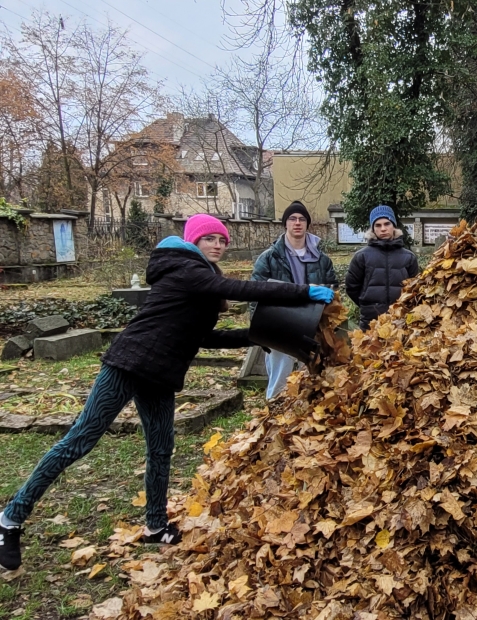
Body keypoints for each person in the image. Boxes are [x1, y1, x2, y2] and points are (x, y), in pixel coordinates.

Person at [0, 214, 335, 571]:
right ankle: (10, 518)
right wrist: (303, 291)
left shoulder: (202, 279)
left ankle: (155, 526)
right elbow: (242, 290)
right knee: (80, 440)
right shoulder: (185, 269)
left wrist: (253, 337)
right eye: (210, 239)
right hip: (127, 365)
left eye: (222, 240)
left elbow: (203, 338)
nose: (218, 245)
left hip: (160, 376)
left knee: (161, 449)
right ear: (194, 242)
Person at [252, 200, 338, 399]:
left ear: (307, 224)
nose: (297, 222)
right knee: (280, 382)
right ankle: (272, 418)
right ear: (285, 224)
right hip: (279, 325)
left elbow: (333, 291)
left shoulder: (321, 259)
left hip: (311, 326)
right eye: (292, 218)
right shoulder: (269, 258)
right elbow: (254, 293)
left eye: (301, 219)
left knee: (311, 380)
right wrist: (261, 332)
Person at [345, 205, 420, 331]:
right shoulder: (361, 256)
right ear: (373, 229)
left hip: (400, 321)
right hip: (371, 322)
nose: (383, 229)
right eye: (378, 225)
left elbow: (415, 288)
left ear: (393, 226)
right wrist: (367, 304)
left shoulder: (409, 257)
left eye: (387, 224)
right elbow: (351, 287)